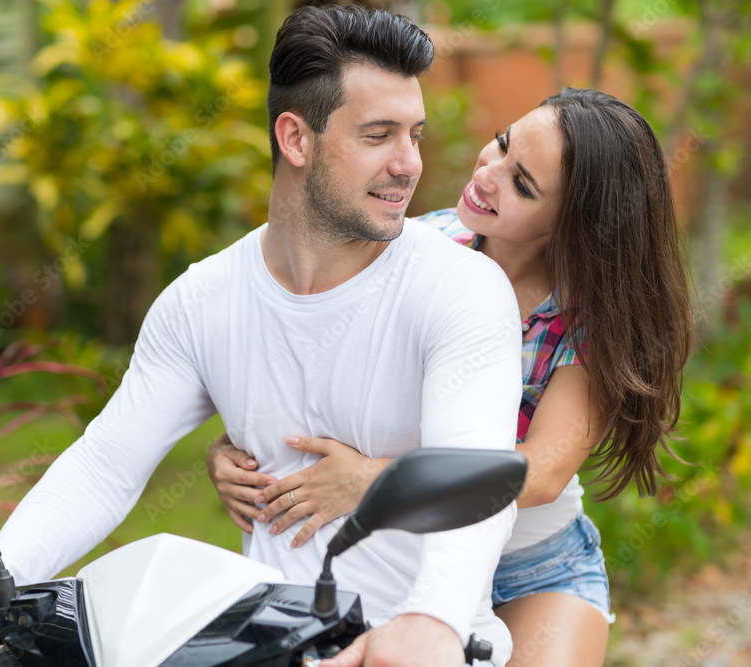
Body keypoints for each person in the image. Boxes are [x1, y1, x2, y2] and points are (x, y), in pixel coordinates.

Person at [0, 6, 526, 667]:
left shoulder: (460, 289)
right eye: (379, 135)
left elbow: (473, 479)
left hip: (431, 648)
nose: (408, 164)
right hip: (263, 646)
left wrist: (431, 619)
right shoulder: (201, 300)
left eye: (414, 134)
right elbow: (106, 464)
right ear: (295, 140)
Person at [208, 88, 694, 667]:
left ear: (575, 223)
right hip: (402, 560)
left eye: (523, 185)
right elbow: (311, 367)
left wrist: (372, 481)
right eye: (503, 144)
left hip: (534, 570)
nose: (489, 173)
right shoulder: (417, 246)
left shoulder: (591, 316)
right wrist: (235, 448)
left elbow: (539, 473)